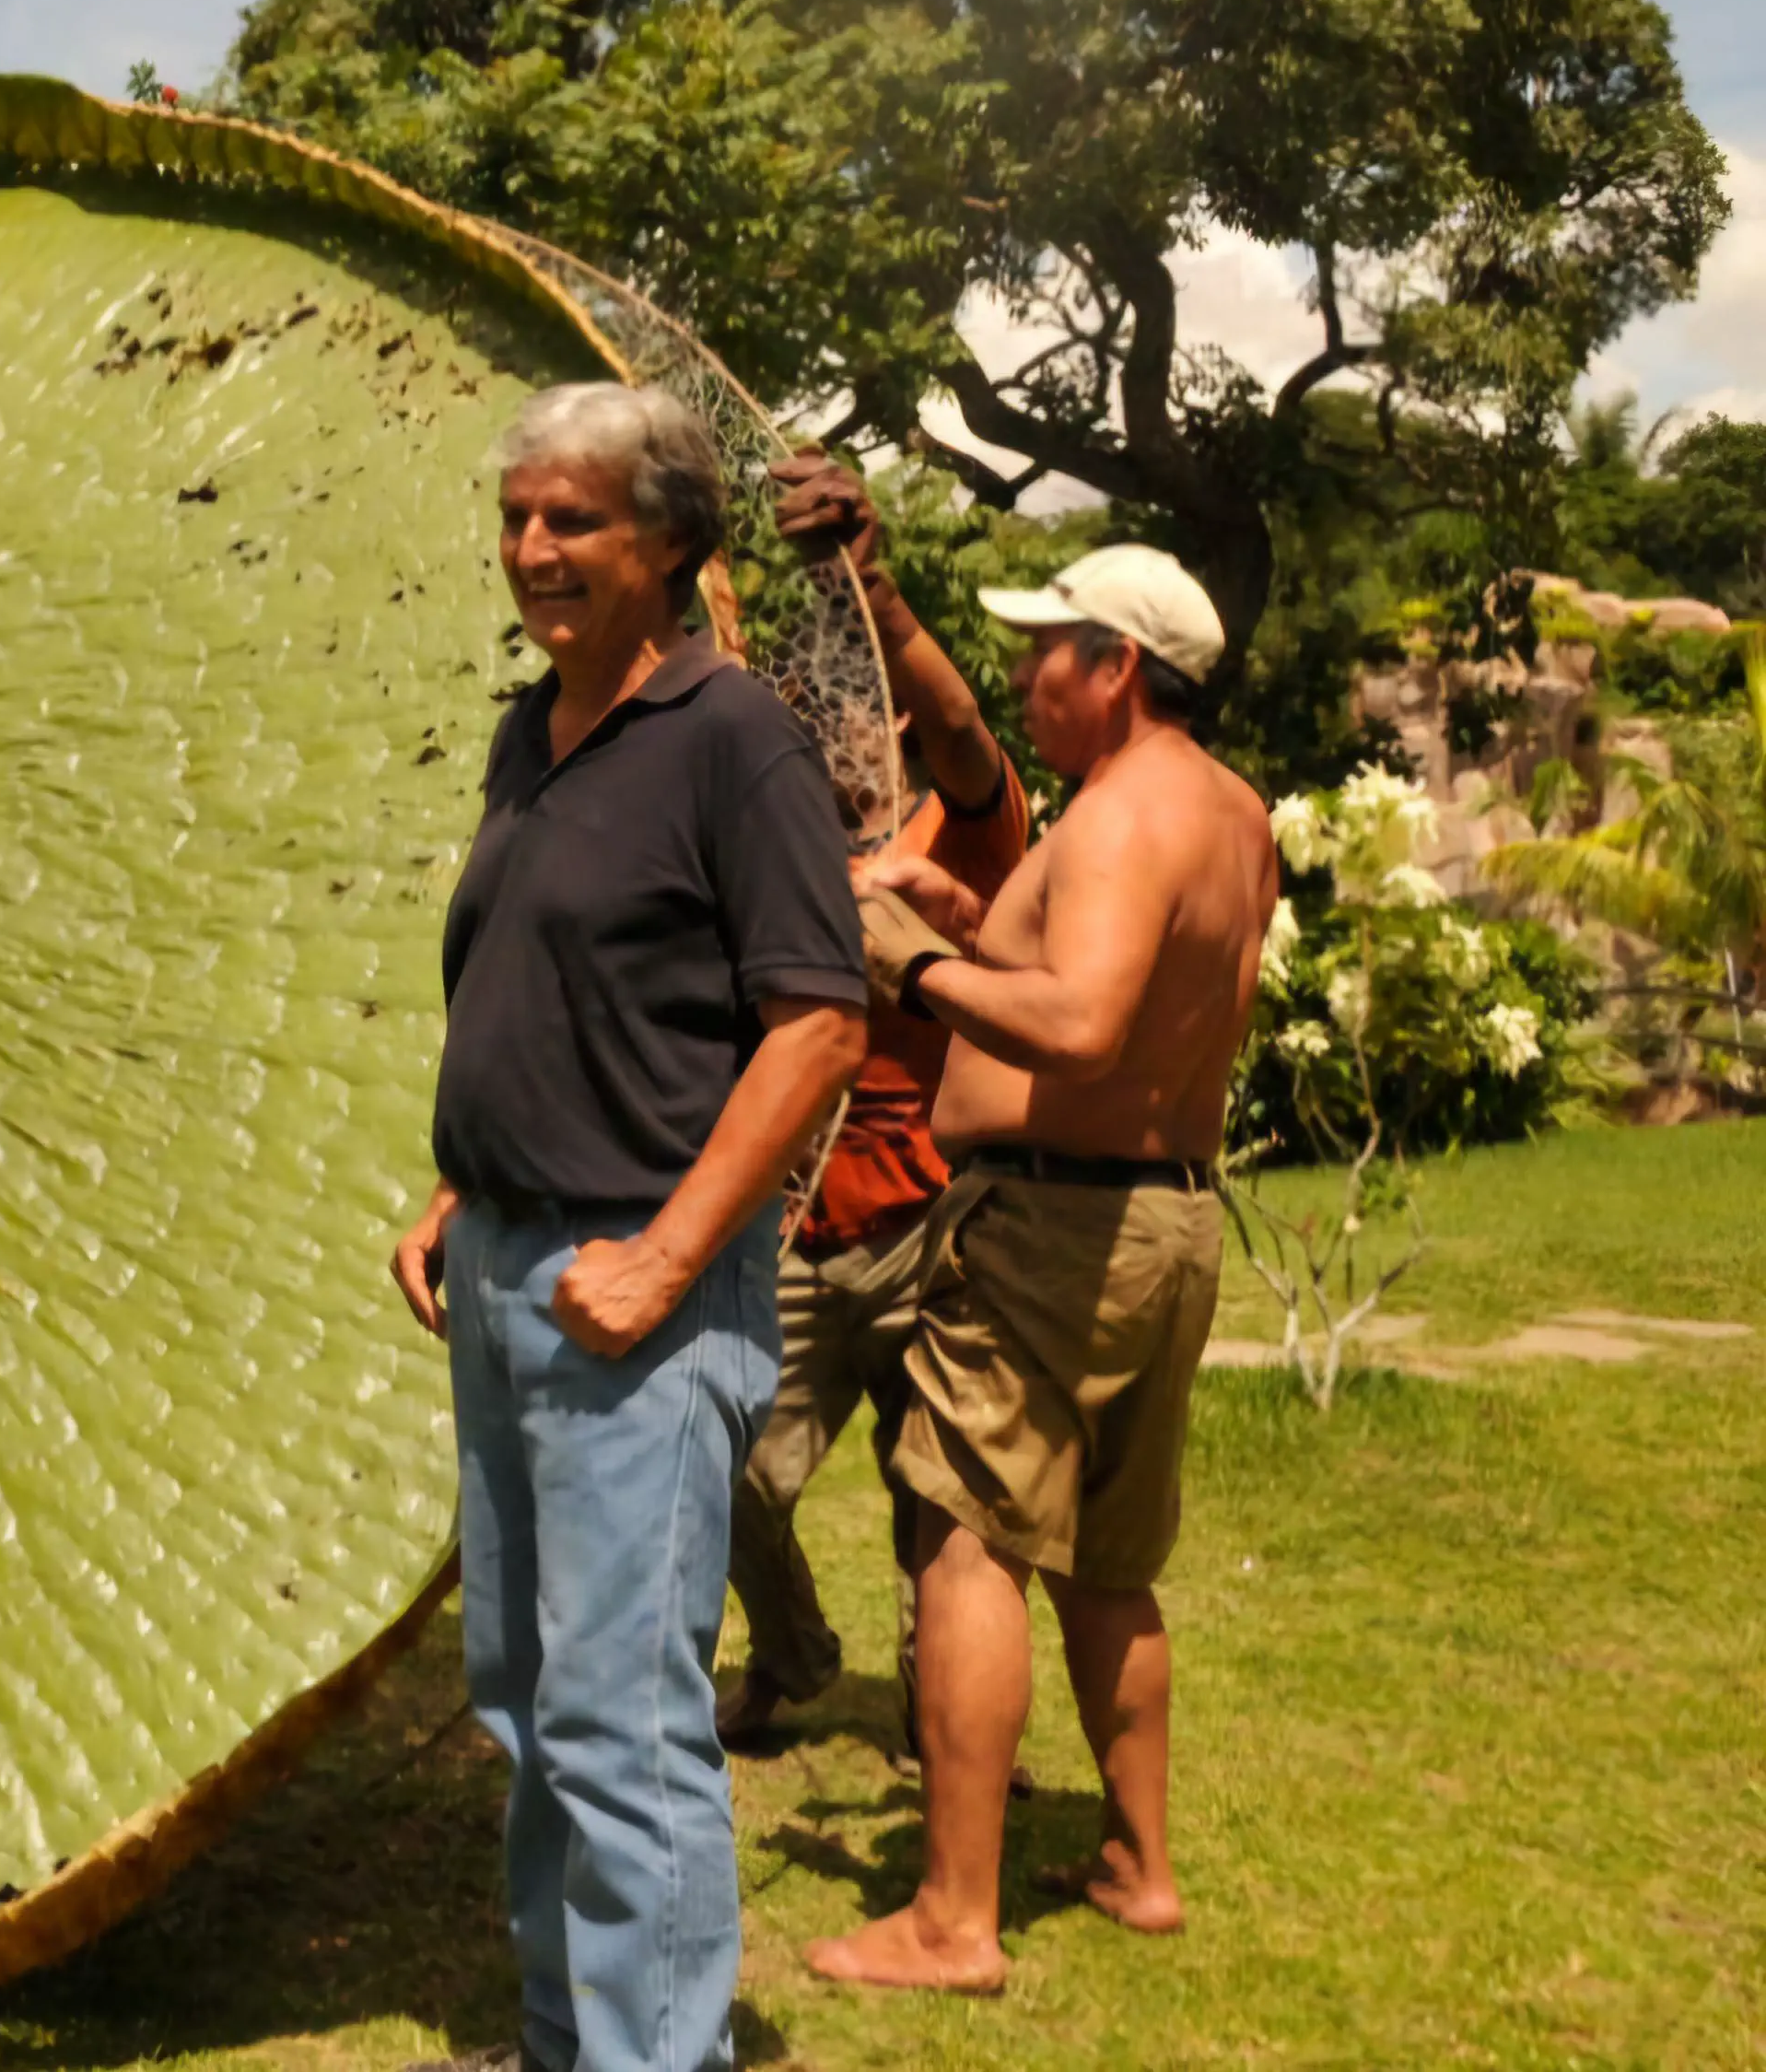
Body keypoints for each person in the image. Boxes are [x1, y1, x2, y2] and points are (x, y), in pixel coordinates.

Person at [388, 384, 870, 2072]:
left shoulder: (736, 739)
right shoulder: (535, 731)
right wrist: (470, 1183)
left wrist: (666, 1256)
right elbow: (554, 980)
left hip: (639, 1290)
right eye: (519, 517)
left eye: (575, 520)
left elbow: (818, 1021)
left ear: (669, 540)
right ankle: (564, 2039)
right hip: (512, 1264)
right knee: (524, 1698)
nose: (534, 550)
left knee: (621, 1717)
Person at [805, 544, 1276, 1996]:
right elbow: (1124, 986)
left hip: (1056, 1230)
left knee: (966, 1533)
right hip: (1165, 1219)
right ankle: (1139, 1865)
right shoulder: (1227, 811)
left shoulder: (1125, 812)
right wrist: (957, 915)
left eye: (1045, 650)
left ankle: (953, 1920)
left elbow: (1078, 1027)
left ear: (1118, 665)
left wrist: (910, 967)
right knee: (1114, 1569)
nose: (1024, 677)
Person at [716, 455, 1030, 1756]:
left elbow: (962, 731)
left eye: (852, 715)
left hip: (932, 1224)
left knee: (941, 1501)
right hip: (790, 1224)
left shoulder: (971, 825)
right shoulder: (767, 846)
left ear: (892, 722)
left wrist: (875, 588)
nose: (828, 734)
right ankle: (791, 1654)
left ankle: (941, 1721)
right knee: (725, 1471)